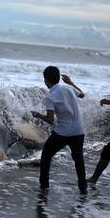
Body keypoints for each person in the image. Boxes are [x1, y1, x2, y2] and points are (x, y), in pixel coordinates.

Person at [31, 66, 87, 194]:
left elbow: (50, 120)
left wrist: (37, 115)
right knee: (78, 159)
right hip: (79, 130)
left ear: (46, 80)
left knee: (46, 156)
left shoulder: (51, 96)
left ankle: (44, 186)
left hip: (63, 132)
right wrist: (71, 82)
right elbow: (82, 95)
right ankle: (83, 188)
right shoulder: (68, 88)